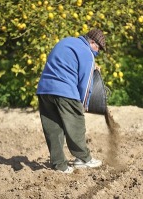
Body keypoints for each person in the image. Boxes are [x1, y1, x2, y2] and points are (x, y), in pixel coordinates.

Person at [36, 29, 106, 174]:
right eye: (98, 48)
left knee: (53, 129)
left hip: (44, 90)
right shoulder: (87, 53)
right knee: (76, 124)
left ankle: (59, 165)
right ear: (92, 42)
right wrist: (84, 105)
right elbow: (85, 84)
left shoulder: (66, 41)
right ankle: (83, 159)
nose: (97, 51)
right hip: (65, 91)